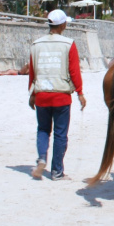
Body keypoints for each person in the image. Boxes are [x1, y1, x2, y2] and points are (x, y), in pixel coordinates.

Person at [28, 9, 86, 180]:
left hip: (41, 94)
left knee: (43, 129)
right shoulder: (69, 44)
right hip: (61, 95)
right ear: (63, 25)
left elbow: (33, 72)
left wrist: (32, 94)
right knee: (61, 134)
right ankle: (57, 171)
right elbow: (74, 71)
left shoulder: (36, 44)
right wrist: (80, 93)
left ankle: (41, 158)